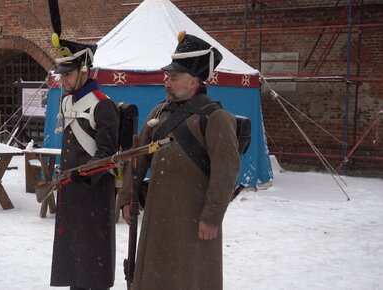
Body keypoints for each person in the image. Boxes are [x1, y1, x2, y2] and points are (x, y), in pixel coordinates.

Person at [119, 32, 241, 290]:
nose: (166, 82)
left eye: (173, 78)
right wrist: (128, 197)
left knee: (189, 279)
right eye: (167, 77)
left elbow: (226, 171)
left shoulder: (216, 118)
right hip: (157, 217)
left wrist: (212, 216)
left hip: (192, 219)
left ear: (194, 81)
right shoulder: (159, 113)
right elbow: (137, 159)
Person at [49, 33, 119, 290]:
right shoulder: (68, 100)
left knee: (93, 258)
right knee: (73, 258)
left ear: (85, 70)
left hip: (94, 194)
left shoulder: (102, 105)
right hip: (71, 191)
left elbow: (107, 154)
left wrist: (85, 173)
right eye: (62, 74)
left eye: (67, 74)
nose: (62, 79)